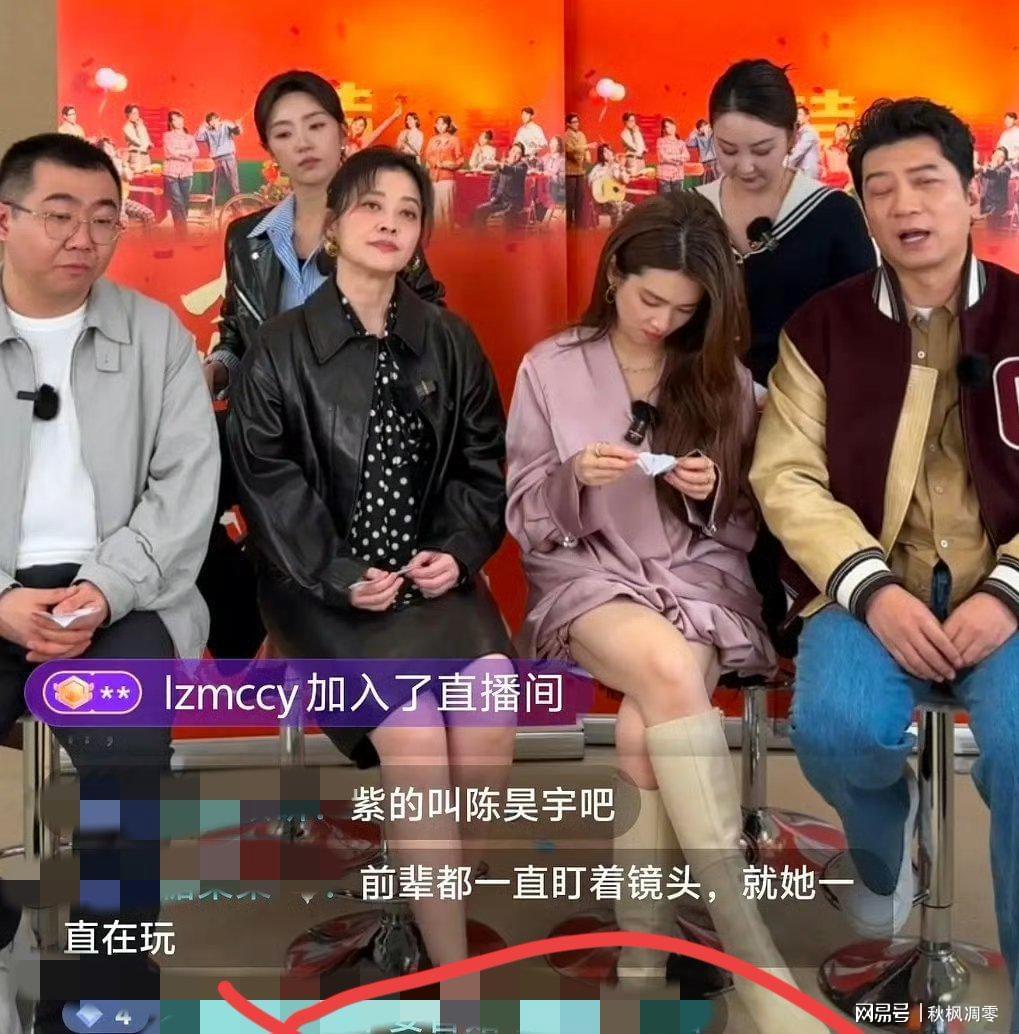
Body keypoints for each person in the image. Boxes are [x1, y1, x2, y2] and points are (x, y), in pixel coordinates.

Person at [505, 193, 825, 1031]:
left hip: (698, 578)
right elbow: (524, 515)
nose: (661, 322)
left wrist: (712, 487)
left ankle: (642, 955)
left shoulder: (724, 378)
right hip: (587, 574)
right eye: (649, 300)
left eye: (683, 311)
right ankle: (752, 955)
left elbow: (751, 515)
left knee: (647, 721)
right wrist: (574, 477)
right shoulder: (549, 366)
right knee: (667, 670)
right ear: (614, 273)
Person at [750, 97, 1019, 1025]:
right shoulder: (821, 328)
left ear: (971, 193)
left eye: (926, 181)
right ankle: (884, 833)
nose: (904, 205)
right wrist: (869, 590)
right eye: (880, 188)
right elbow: (784, 476)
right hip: (868, 585)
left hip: (1006, 591)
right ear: (860, 206)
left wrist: (1007, 592)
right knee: (835, 730)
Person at [226, 147, 515, 987]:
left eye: (407, 212)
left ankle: (437, 895)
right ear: (333, 225)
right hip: (320, 588)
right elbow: (267, 483)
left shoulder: (448, 340)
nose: (389, 223)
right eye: (371, 207)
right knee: (416, 738)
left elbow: (482, 469)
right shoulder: (278, 348)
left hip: (432, 583)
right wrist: (338, 572)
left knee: (492, 708)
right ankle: (456, 980)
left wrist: (456, 551)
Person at [0, 132, 218, 1033]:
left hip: (122, 594)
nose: (82, 238)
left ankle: (105, 996)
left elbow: (185, 488)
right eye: (59, 215)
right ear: (5, 221)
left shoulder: (154, 332)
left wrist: (102, 592)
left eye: (102, 218)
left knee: (125, 759)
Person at [202, 70, 444, 661]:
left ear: (342, 133)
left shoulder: (379, 225)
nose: (303, 143)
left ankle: (321, 630)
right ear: (269, 149)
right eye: (284, 133)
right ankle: (246, 635)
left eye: (315, 125)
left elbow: (430, 325)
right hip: (266, 426)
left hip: (359, 431)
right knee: (182, 484)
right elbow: (235, 330)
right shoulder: (247, 238)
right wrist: (215, 370)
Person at [696, 58, 876, 652]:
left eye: (762, 150)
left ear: (794, 137)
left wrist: (795, 398)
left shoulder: (832, 215)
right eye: (728, 150)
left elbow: (860, 330)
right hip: (705, 411)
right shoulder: (691, 214)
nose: (745, 166)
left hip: (804, 417)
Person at [96, 137, 156, 228]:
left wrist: (123, 163)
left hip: (123, 200)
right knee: (123, 221)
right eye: (107, 147)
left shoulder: (118, 161)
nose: (111, 148)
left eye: (111, 146)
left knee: (148, 214)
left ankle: (148, 237)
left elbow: (129, 177)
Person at [161, 109, 199, 236]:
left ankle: (181, 229)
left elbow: (195, 152)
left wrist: (180, 152)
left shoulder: (190, 137)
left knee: (185, 202)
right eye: (175, 119)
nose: (178, 121)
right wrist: (186, 154)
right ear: (171, 122)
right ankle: (182, 233)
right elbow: (169, 152)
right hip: (171, 173)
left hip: (186, 173)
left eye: (180, 118)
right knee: (177, 201)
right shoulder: (167, 136)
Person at [472, 142, 528, 227]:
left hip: (513, 204)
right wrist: (493, 196)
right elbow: (494, 180)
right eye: (513, 151)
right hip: (499, 201)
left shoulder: (522, 166)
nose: (514, 155)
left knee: (504, 217)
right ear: (509, 152)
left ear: (521, 156)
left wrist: (503, 166)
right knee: (480, 211)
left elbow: (513, 170)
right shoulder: (504, 164)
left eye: (518, 153)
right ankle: (481, 235)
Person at [424, 114, 463, 229]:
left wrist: (451, 165)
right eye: (438, 123)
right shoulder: (432, 140)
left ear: (448, 125)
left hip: (447, 179)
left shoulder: (454, 140)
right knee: (435, 213)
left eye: (443, 123)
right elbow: (427, 155)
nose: (440, 126)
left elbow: (460, 159)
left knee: (447, 212)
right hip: (433, 178)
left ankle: (448, 237)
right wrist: (436, 163)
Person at [195, 111, 242, 202]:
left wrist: (237, 126)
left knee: (234, 184)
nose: (213, 122)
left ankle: (238, 205)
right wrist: (202, 127)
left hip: (229, 157)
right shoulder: (207, 131)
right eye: (210, 121)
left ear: (219, 119)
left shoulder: (226, 125)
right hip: (216, 160)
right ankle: (210, 206)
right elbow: (198, 138)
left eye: (215, 119)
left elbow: (236, 132)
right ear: (208, 123)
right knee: (214, 185)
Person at [588, 144, 631, 226]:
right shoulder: (597, 168)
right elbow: (592, 184)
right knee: (617, 207)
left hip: (616, 199)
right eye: (605, 152)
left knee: (634, 210)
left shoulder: (616, 166)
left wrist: (621, 168)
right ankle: (616, 230)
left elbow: (625, 180)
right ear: (601, 155)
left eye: (609, 150)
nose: (608, 153)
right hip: (602, 201)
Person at [564, 113, 593, 226]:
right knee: (570, 198)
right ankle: (569, 221)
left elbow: (585, 149)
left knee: (580, 197)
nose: (577, 124)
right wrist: (586, 147)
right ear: (568, 124)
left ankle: (579, 221)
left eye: (577, 121)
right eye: (574, 122)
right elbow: (571, 149)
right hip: (570, 171)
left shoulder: (581, 135)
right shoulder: (566, 135)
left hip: (580, 170)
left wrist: (588, 156)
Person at [979, 146, 1012, 229]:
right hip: (985, 207)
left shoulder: (1005, 170)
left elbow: (995, 174)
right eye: (997, 155)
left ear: (1004, 160)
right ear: (993, 156)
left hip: (996, 209)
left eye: (1001, 157)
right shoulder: (989, 168)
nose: (998, 158)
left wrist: (983, 169)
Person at [655, 117, 689, 196]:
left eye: (672, 125)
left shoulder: (681, 143)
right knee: (666, 201)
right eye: (667, 126)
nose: (671, 128)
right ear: (664, 129)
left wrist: (671, 156)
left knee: (677, 201)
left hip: (678, 176)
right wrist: (679, 158)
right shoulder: (660, 141)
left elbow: (687, 156)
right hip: (664, 177)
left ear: (675, 126)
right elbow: (663, 157)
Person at [787, 103, 821, 179]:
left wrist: (783, 165)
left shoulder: (809, 132)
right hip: (801, 173)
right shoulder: (799, 132)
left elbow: (798, 152)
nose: (797, 117)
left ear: (807, 117)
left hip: (808, 174)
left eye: (800, 114)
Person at [122, 103, 152, 174]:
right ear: (128, 114)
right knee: (138, 175)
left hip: (145, 155)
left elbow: (147, 139)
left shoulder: (141, 125)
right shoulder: (127, 127)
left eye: (138, 113)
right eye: (134, 113)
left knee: (148, 175)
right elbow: (139, 142)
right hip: (136, 156)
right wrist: (147, 144)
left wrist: (141, 127)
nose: (137, 115)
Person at [821, 120, 851, 190]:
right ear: (835, 131)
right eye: (839, 130)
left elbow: (850, 170)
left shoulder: (849, 150)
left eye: (844, 131)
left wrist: (849, 185)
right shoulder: (827, 147)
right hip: (829, 182)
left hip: (845, 183)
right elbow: (822, 166)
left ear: (847, 134)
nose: (840, 132)